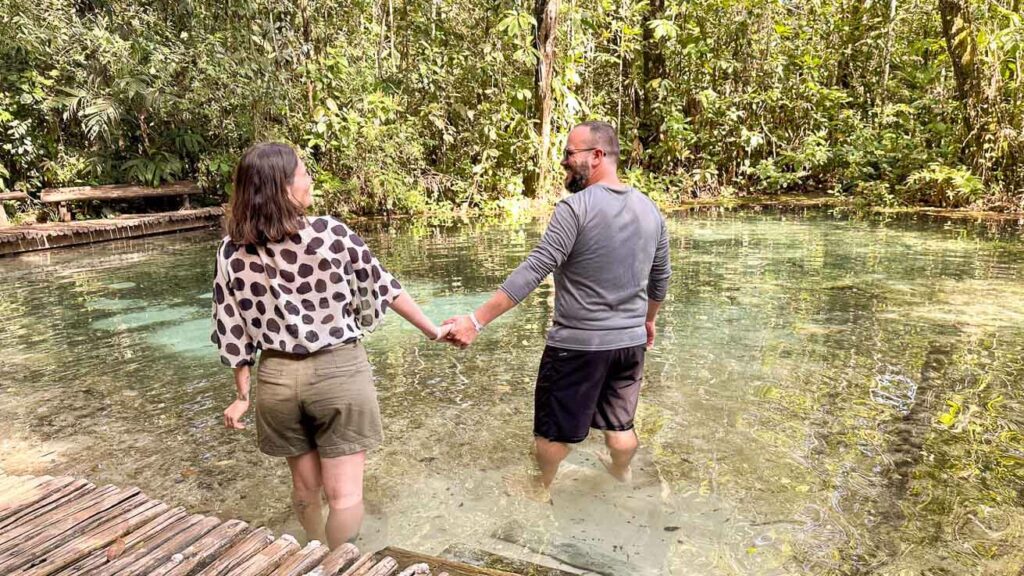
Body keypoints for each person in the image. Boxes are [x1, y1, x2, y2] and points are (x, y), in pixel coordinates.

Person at [212, 142, 450, 548]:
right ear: (284, 188)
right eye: (303, 173)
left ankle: (311, 552)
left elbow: (230, 325)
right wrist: (433, 330)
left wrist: (242, 394)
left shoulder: (232, 250)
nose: (310, 180)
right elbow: (384, 287)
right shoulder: (330, 234)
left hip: (277, 380)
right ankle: (336, 563)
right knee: (346, 498)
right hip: (339, 372)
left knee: (306, 491)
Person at [445, 121, 671, 498]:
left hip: (578, 346)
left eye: (569, 153)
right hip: (629, 344)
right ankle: (620, 475)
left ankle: (539, 486)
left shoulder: (575, 208)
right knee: (620, 425)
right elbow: (661, 277)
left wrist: (475, 321)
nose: (563, 161)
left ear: (597, 156)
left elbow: (535, 268)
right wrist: (648, 321)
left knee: (552, 431)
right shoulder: (650, 210)